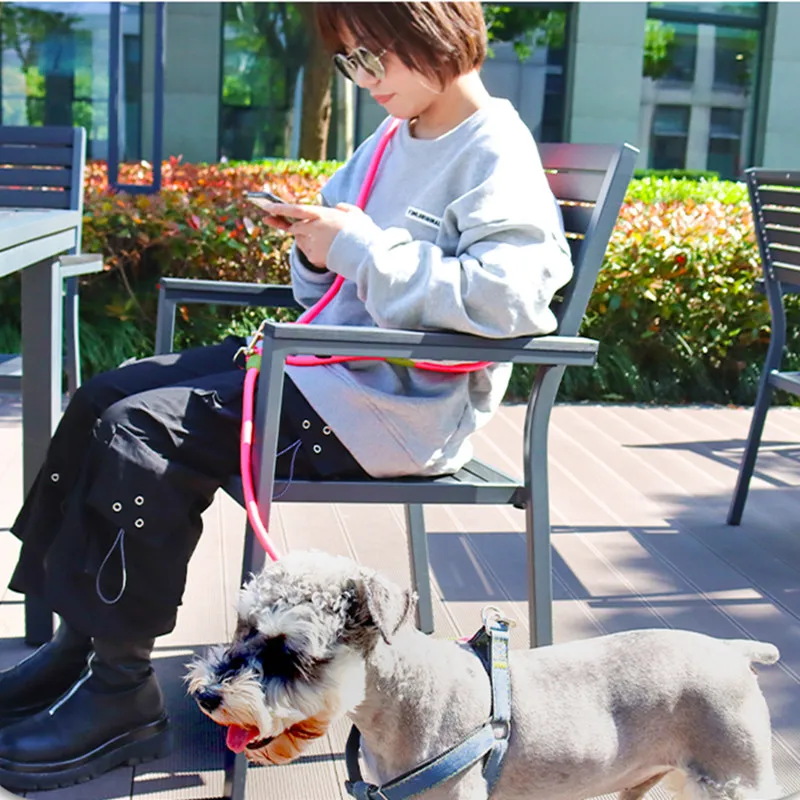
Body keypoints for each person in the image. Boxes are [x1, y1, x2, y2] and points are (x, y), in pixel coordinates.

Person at [0, 1, 573, 791]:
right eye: (352, 60)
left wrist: (357, 247)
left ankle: (120, 690)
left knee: (143, 431)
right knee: (104, 395)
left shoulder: (495, 150)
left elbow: (509, 303)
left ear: (435, 33)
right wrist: (313, 244)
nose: (364, 78)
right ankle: (81, 646)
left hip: (386, 410)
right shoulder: (391, 137)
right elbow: (332, 276)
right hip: (327, 371)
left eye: (374, 56)